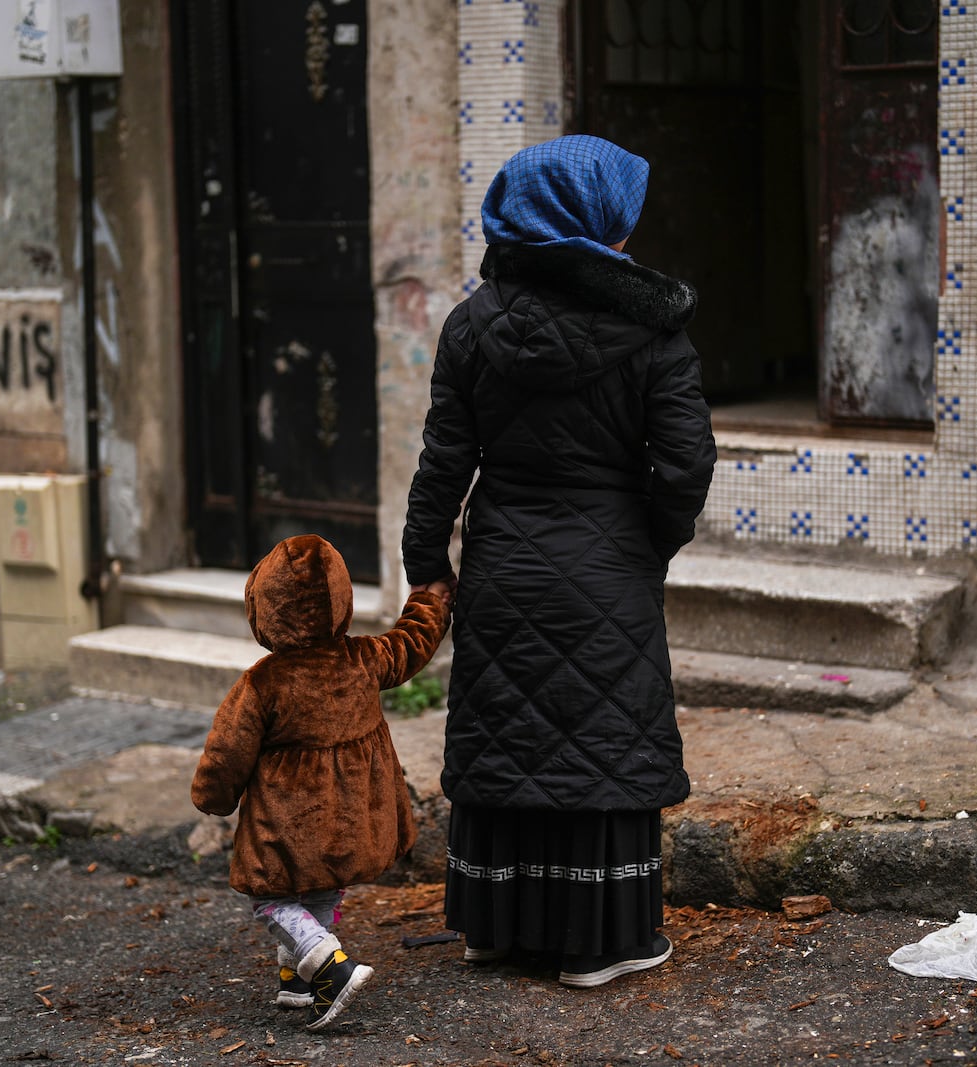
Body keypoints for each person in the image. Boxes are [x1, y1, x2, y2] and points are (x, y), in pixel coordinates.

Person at [401, 135, 716, 986]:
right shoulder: (654, 327)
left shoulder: (472, 323)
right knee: (601, 736)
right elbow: (686, 464)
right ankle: (601, 943)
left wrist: (426, 562)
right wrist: (649, 542)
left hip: (504, 559)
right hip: (610, 559)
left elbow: (443, 463)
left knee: (510, 731)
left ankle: (495, 929)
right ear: (597, 221)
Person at [190, 534, 451, 1030]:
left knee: (270, 896)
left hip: (290, 820)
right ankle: (296, 979)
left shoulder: (262, 683)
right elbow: (413, 642)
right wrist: (431, 599)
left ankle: (326, 963)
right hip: (356, 810)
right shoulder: (365, 657)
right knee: (322, 885)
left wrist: (213, 795)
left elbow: (227, 752)